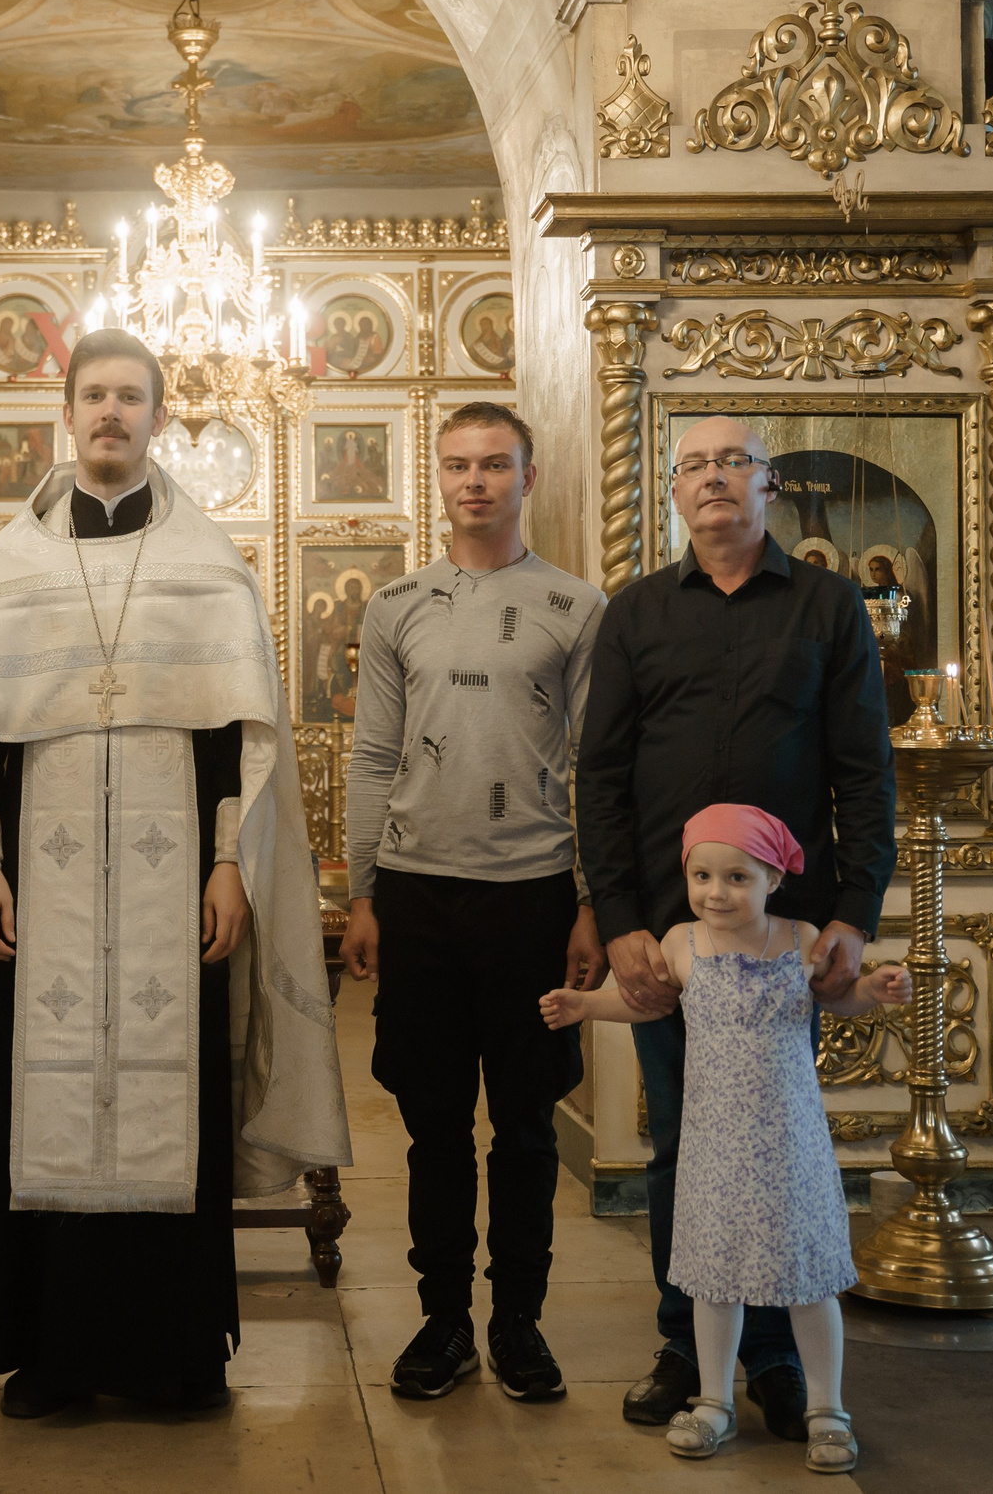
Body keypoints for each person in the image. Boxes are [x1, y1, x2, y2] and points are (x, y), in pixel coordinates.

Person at [0, 328, 351, 1417]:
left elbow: (237, 737)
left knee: (179, 1098)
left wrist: (225, 864)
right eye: (93, 396)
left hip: (178, 898)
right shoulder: (9, 567)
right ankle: (47, 1357)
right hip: (35, 898)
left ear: (158, 416)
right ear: (66, 414)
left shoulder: (208, 567)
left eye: (130, 397)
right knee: (33, 1098)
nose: (110, 413)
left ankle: (177, 1355)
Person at [576, 415, 896, 1443]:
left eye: (733, 463)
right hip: (672, 934)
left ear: (768, 486)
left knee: (774, 1142)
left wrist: (853, 911)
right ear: (673, 492)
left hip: (781, 939)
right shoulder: (633, 614)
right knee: (681, 1138)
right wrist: (620, 918)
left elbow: (862, 770)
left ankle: (770, 1356)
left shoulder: (825, 604)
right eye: (695, 465)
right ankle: (689, 1345)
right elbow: (602, 778)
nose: (713, 479)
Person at [340, 402, 606, 1404]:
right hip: (417, 898)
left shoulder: (578, 609)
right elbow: (372, 756)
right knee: (433, 1124)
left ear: (526, 478)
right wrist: (363, 891)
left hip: (532, 897)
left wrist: (587, 901)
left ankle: (519, 1325)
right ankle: (443, 1319)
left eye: (495, 465)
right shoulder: (396, 604)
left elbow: (590, 764)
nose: (475, 483)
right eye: (458, 466)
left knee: (529, 1127)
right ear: (437, 478)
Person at [540, 805, 908, 1475]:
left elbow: (838, 996)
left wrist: (872, 989)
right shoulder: (681, 943)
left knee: (807, 1276)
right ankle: (714, 1400)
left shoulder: (801, 939)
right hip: (714, 1146)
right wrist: (586, 1005)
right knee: (714, 1277)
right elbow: (645, 1001)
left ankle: (827, 1407)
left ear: (773, 875)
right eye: (702, 874)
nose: (716, 891)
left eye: (736, 875)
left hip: (790, 1143)